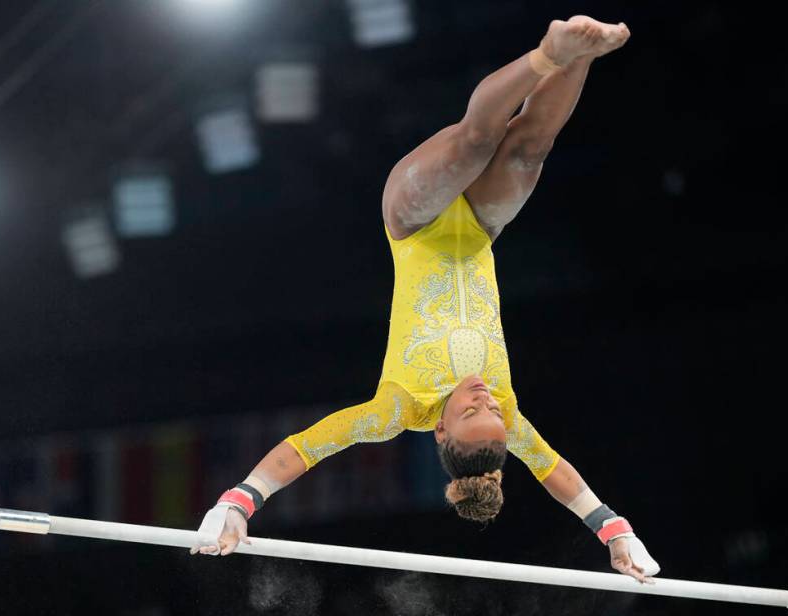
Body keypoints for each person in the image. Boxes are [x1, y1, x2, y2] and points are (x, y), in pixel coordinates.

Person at [192, 15, 660, 583]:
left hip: (413, 220)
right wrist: (615, 530)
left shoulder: (399, 407)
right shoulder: (505, 418)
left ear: (440, 430)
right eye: (492, 412)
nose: (486, 400)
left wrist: (239, 501)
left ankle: (544, 56)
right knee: (528, 151)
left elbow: (305, 449)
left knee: (477, 141)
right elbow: (558, 475)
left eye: (470, 410)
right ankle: (578, 54)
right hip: (480, 230)